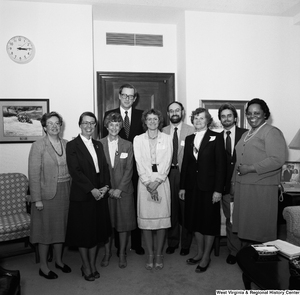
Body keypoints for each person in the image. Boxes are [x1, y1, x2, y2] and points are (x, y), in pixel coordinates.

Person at [232, 98, 287, 245]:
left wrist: (250, 168)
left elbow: (277, 159)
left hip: (261, 189)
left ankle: (262, 266)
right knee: (247, 229)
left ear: (265, 115)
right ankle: (249, 261)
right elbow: (238, 160)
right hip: (244, 187)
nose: (252, 116)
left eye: (256, 113)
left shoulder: (271, 132)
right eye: (249, 113)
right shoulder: (246, 134)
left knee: (260, 230)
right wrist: (233, 183)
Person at [65, 111, 111, 282]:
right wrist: (92, 189)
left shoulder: (98, 144)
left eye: (92, 123)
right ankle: (85, 266)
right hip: (83, 195)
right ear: (80, 124)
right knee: (85, 235)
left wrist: (106, 186)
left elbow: (104, 168)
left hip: (100, 194)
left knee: (96, 234)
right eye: (85, 123)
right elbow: (75, 172)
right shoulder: (72, 145)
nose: (89, 126)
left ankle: (92, 265)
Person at [179, 107, 226, 273]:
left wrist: (218, 190)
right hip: (192, 188)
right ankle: (199, 253)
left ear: (208, 120)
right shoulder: (189, 138)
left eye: (201, 118)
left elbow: (221, 166)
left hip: (209, 189)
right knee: (195, 221)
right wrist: (182, 186)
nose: (198, 121)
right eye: (195, 118)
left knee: (209, 222)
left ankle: (206, 256)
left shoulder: (217, 137)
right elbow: (186, 165)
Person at [103, 83, 145, 256]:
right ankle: (117, 246)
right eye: (124, 95)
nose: (128, 98)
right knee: (113, 209)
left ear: (135, 99)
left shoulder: (141, 115)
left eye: (131, 96)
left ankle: (136, 243)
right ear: (119, 96)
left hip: (135, 169)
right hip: (115, 170)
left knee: (132, 207)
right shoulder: (109, 115)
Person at [28, 111, 71, 280]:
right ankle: (44, 266)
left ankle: (59, 261)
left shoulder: (67, 144)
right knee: (45, 231)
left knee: (61, 229)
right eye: (50, 124)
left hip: (65, 190)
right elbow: (33, 173)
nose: (54, 126)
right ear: (45, 127)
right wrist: (37, 198)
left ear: (61, 126)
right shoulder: (38, 145)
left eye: (57, 123)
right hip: (45, 195)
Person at [133, 109, 172, 270]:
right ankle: (150, 254)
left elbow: (167, 161)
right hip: (144, 184)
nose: (152, 122)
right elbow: (139, 162)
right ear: (145, 121)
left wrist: (157, 181)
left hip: (161, 183)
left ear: (159, 121)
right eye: (149, 119)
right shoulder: (138, 139)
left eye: (155, 119)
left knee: (162, 221)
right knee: (146, 221)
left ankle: (159, 254)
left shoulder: (167, 138)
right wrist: (148, 182)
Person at [99, 112, 136, 269]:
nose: (114, 127)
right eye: (111, 124)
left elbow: (129, 170)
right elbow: (98, 170)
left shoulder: (128, 145)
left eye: (117, 125)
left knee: (123, 224)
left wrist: (119, 189)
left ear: (121, 127)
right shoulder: (98, 144)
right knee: (107, 224)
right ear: (106, 126)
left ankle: (122, 253)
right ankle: (107, 253)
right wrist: (108, 188)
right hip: (105, 191)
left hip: (124, 191)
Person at [162, 102, 194, 256]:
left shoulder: (192, 130)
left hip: (185, 175)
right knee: (171, 209)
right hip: (168, 174)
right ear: (168, 114)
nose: (174, 113)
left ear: (182, 112)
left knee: (185, 209)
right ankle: (173, 241)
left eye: (177, 110)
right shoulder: (163, 131)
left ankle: (186, 244)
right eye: (171, 111)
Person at [218, 103, 248, 265]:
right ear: (220, 119)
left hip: (245, 185)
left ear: (235, 118)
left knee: (246, 218)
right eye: (223, 116)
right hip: (226, 187)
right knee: (231, 220)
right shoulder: (216, 137)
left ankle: (248, 249)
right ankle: (234, 251)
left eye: (229, 115)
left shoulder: (246, 134)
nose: (226, 119)